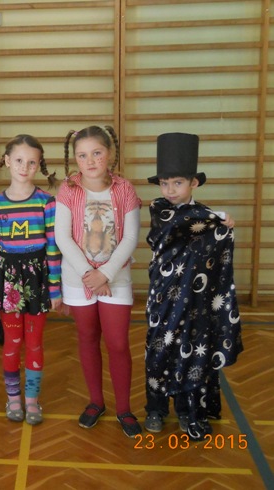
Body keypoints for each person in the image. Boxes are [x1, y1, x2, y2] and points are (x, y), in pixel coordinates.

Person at [143, 132, 243, 441]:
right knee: (159, 351)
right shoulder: (161, 209)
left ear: (193, 183)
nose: (170, 190)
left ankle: (188, 409)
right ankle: (156, 408)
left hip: (196, 301)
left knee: (191, 353)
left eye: (177, 183)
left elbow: (209, 242)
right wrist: (219, 216)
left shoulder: (207, 219)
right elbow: (180, 224)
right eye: (164, 183)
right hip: (163, 300)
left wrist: (220, 224)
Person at [54, 125, 142, 438]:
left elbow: (130, 237)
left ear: (110, 153)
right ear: (75, 158)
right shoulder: (68, 189)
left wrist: (105, 274)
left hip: (115, 278)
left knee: (117, 343)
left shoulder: (124, 189)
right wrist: (89, 276)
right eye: (82, 155)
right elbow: (62, 237)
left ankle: (124, 408)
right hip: (78, 278)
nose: (90, 161)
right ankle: (96, 402)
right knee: (88, 337)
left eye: (96, 153)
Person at [0, 134, 62, 426]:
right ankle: (13, 398)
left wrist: (54, 289)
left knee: (34, 343)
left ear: (39, 164)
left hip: (37, 281)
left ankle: (32, 399)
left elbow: (53, 249)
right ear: (7, 161)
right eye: (18, 160)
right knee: (11, 343)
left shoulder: (47, 202)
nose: (24, 167)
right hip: (8, 284)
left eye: (32, 162)